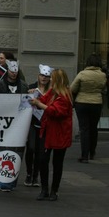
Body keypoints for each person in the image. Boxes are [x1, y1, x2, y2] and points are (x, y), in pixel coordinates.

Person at [30, 68, 73, 201]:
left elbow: (55, 112)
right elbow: (43, 99)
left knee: (57, 163)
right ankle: (44, 189)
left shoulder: (65, 96)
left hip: (59, 133)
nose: (50, 80)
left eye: (53, 78)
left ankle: (54, 190)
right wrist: (35, 97)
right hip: (48, 131)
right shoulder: (53, 92)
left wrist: (38, 103)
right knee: (43, 160)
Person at [0, 60, 28, 192]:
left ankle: (11, 180)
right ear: (7, 71)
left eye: (15, 71)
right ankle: (2, 180)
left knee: (16, 153)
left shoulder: (23, 86)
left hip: (18, 124)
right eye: (11, 71)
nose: (13, 74)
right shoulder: (0, 85)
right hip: (3, 124)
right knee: (2, 151)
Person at [70, 54, 107, 162]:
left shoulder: (82, 74)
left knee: (84, 129)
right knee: (93, 128)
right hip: (96, 103)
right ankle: (92, 152)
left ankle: (84, 155)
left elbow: (73, 88)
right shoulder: (102, 75)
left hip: (82, 103)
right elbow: (103, 88)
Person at [24, 64, 51, 187]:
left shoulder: (52, 91)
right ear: (38, 76)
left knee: (41, 152)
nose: (44, 78)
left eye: (46, 76)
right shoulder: (31, 88)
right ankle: (29, 173)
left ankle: (36, 176)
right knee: (30, 148)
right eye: (42, 75)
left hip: (44, 124)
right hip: (32, 122)